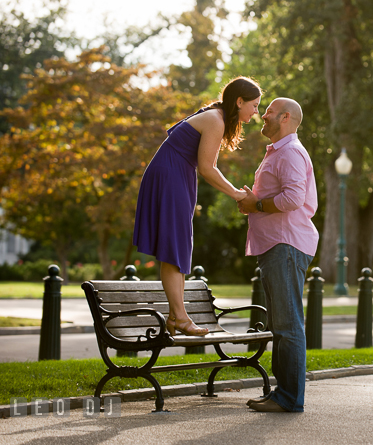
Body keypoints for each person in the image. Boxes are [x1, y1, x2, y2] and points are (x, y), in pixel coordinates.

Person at [133, 76, 262, 336]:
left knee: (179, 245)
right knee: (173, 245)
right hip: (171, 175)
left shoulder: (217, 118)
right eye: (255, 105)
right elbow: (207, 169)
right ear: (239, 102)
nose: (256, 112)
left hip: (177, 175)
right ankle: (179, 318)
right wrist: (238, 195)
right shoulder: (215, 120)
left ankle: (176, 317)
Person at [237, 97, 318, 413]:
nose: (262, 116)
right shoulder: (281, 152)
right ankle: (282, 394)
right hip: (277, 246)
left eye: (268, 111)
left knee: (288, 325)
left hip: (285, 246)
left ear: (285, 117)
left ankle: (288, 398)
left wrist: (255, 204)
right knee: (282, 323)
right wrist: (254, 200)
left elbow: (293, 198)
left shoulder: (290, 152)